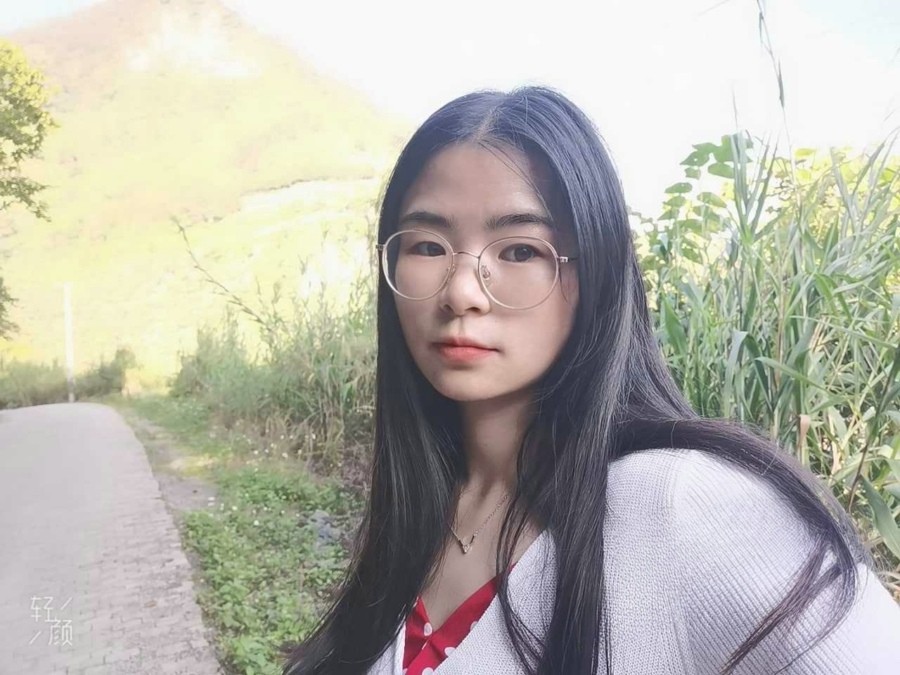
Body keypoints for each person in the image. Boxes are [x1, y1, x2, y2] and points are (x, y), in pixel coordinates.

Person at [280, 86, 900, 674]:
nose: (461, 291)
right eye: (427, 246)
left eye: (520, 250)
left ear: (596, 273)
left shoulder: (687, 504)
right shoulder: (420, 503)